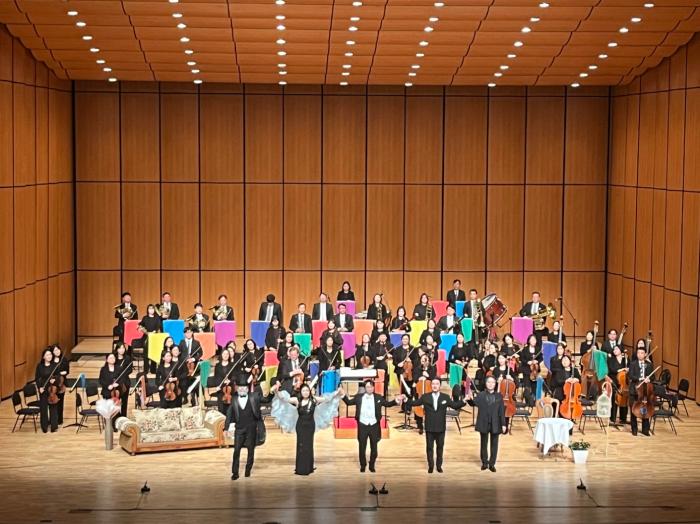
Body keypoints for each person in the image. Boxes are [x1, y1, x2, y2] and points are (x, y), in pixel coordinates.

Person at [341, 380, 402, 472]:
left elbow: (387, 404)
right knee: (362, 447)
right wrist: (342, 395)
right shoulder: (359, 397)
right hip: (362, 425)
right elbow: (348, 403)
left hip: (374, 426)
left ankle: (372, 464)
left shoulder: (378, 397)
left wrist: (396, 401)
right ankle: (363, 465)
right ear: (365, 388)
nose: (369, 389)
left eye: (371, 387)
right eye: (367, 387)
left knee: (374, 448)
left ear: (373, 387)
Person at [409, 378, 466, 473]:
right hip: (429, 427)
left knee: (440, 448)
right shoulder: (425, 397)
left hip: (440, 427)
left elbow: (455, 406)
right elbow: (415, 403)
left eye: (437, 384)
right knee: (429, 448)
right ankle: (431, 466)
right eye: (433, 384)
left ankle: (439, 466)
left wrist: (464, 400)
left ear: (440, 386)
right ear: (431, 385)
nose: (435, 386)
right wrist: (406, 399)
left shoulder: (445, 397)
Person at [224, 381, 263, 480]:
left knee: (251, 450)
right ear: (237, 389)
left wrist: (272, 391)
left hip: (251, 428)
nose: (242, 389)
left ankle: (248, 470)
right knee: (236, 450)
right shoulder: (234, 399)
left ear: (247, 389)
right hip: (239, 428)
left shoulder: (254, 397)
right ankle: (235, 473)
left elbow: (265, 399)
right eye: (240, 387)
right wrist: (226, 428)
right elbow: (229, 414)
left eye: (244, 387)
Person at [468, 375, 506, 471]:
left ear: (495, 384)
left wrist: (503, 424)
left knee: (494, 444)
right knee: (483, 443)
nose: (490, 384)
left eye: (492, 382)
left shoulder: (499, 396)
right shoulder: (481, 395)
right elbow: (473, 403)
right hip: (484, 422)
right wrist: (470, 398)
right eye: (489, 382)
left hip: (495, 423)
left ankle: (492, 464)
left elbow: (501, 411)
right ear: (486, 383)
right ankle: (484, 462)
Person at [628, 344, 654, 436]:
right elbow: (631, 376)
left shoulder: (649, 365)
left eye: (642, 353)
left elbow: (653, 377)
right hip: (634, 390)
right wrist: (640, 378)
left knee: (645, 409)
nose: (640, 354)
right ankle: (634, 429)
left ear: (645, 354)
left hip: (645, 391)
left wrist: (649, 379)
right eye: (638, 353)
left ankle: (645, 430)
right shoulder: (633, 364)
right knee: (633, 410)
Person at [35, 348, 59, 433]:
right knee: (43, 409)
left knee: (53, 408)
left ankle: (54, 426)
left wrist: (54, 379)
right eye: (47, 355)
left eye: (50, 354)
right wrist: (39, 387)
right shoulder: (39, 366)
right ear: (43, 357)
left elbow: (58, 376)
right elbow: (37, 378)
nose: (49, 356)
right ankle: (44, 427)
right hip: (43, 389)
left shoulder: (54, 365)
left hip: (52, 389)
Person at [608, 345, 629, 425]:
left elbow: (629, 368)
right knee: (614, 399)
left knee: (624, 399)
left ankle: (623, 418)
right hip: (614, 381)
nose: (614, 350)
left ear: (621, 350)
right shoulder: (611, 359)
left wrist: (627, 369)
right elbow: (611, 370)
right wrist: (621, 369)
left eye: (616, 349)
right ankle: (612, 418)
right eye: (614, 349)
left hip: (623, 382)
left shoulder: (625, 359)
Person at [51, 345, 69, 426]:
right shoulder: (51, 360)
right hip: (52, 384)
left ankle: (60, 419)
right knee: (52, 402)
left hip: (61, 384)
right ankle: (52, 419)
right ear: (52, 352)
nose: (57, 351)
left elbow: (67, 371)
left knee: (60, 402)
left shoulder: (64, 359)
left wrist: (63, 373)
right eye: (55, 350)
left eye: (58, 349)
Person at [114, 343, 133, 418]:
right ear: (117, 349)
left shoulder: (127, 358)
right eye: (120, 348)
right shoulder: (114, 358)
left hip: (125, 382)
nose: (122, 350)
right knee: (116, 401)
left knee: (124, 401)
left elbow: (130, 370)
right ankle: (116, 417)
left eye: (123, 348)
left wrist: (122, 375)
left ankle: (123, 417)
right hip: (116, 383)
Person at [213, 348, 234, 415]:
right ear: (221, 355)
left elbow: (235, 376)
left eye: (227, 354)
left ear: (229, 355)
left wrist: (230, 381)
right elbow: (216, 377)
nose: (225, 355)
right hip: (220, 389)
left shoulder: (232, 365)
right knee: (221, 409)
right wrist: (217, 386)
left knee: (230, 410)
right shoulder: (217, 366)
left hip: (230, 390)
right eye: (224, 354)